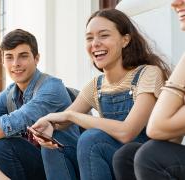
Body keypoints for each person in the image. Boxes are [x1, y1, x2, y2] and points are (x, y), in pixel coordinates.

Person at [31, 8, 171, 180]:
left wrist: (70, 115)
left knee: (92, 139)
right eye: (90, 38)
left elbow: (127, 132)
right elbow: (64, 120)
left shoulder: (148, 74)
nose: (95, 43)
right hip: (110, 159)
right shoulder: (96, 85)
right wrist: (50, 127)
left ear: (125, 40)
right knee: (56, 139)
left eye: (104, 35)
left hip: (142, 163)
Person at [0, 29, 80, 180]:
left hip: (61, 159)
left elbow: (8, 124)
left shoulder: (51, 87)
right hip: (34, 159)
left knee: (2, 145)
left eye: (23, 56)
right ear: (3, 61)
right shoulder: (12, 92)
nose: (16, 64)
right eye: (9, 57)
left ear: (36, 58)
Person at [113, 0, 185, 179]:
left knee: (151, 156)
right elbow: (170, 138)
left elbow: (156, 127)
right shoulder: (96, 84)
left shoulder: (149, 74)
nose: (175, 3)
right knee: (127, 156)